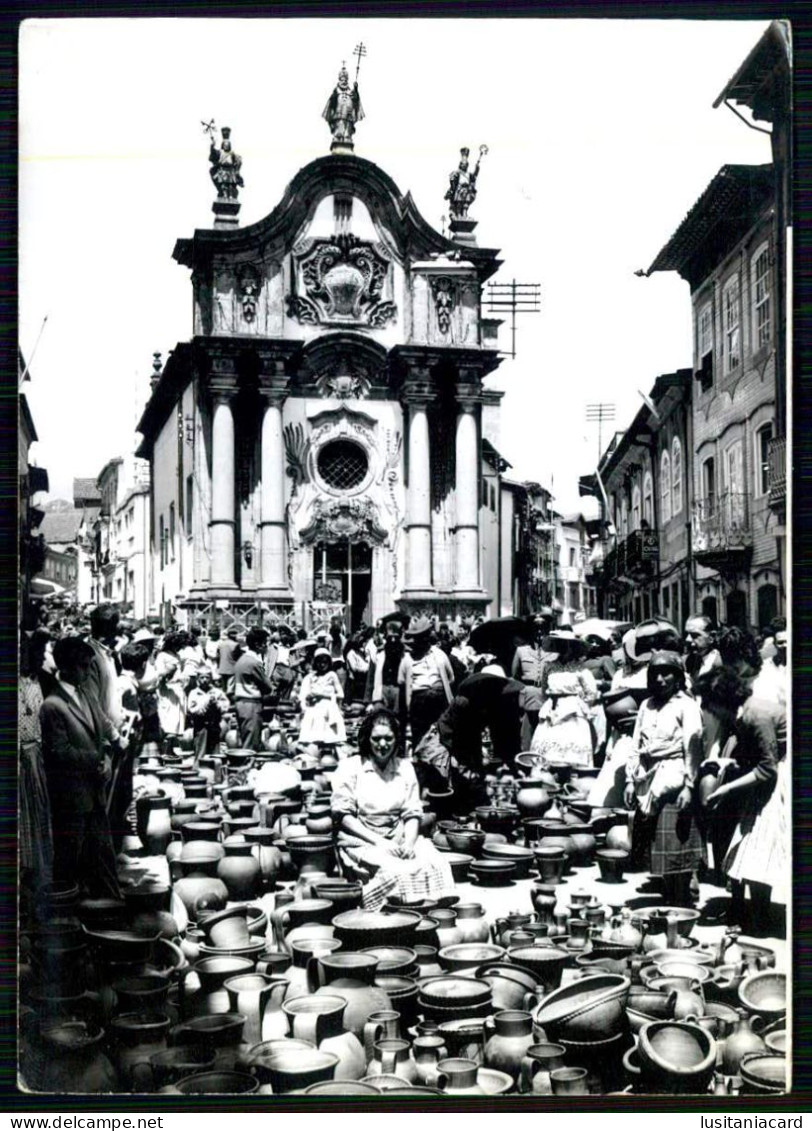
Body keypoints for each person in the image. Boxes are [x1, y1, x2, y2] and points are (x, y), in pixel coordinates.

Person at [331, 707, 455, 910]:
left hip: (399, 835)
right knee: (397, 871)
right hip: (362, 838)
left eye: (388, 738)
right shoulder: (350, 767)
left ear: (396, 739)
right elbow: (343, 816)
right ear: (366, 739)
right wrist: (380, 842)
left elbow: (412, 812)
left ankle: (429, 913)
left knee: (437, 864)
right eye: (376, 738)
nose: (382, 744)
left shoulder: (404, 768)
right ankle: (389, 913)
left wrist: (409, 843)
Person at [697, 667, 787, 933]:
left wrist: (726, 789)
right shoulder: (740, 716)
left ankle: (761, 920)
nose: (707, 708)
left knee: (760, 849)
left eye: (709, 702)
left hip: (780, 781)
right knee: (746, 848)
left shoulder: (756, 715)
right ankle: (753, 915)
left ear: (723, 699)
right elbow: (753, 758)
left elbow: (768, 769)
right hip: (766, 777)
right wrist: (726, 762)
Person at [39, 637, 123, 900]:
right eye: (84, 666)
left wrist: (112, 749)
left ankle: (110, 904)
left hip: (94, 788)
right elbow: (59, 752)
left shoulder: (86, 693)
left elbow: (102, 725)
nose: (88, 672)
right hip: (71, 794)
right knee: (71, 855)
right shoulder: (52, 705)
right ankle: (72, 915)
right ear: (67, 667)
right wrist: (96, 759)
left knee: (102, 851)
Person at [624, 651, 704, 906]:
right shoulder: (647, 706)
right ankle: (670, 902)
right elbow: (636, 744)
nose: (660, 679)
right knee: (659, 852)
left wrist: (689, 787)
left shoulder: (686, 706)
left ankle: (682, 905)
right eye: (654, 674)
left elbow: (693, 748)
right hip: (648, 781)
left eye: (666, 673)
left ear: (678, 677)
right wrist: (630, 779)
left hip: (674, 781)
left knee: (676, 851)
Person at [414, 668, 524, 809]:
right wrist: (466, 767)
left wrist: (514, 768)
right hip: (443, 741)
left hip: (467, 742)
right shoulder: (464, 702)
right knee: (441, 787)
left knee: (470, 785)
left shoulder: (496, 704)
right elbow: (456, 737)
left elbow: (501, 739)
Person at [19, 629, 54, 903]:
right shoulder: (25, 685)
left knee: (36, 817)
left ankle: (36, 877)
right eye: (38, 653)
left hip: (35, 757)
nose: (42, 658)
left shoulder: (37, 681)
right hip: (24, 757)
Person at [530, 634, 598, 766]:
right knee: (550, 743)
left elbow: (591, 692)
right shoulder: (549, 666)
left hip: (573, 709)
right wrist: (552, 701)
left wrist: (579, 703)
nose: (564, 649)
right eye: (561, 645)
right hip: (552, 708)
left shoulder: (580, 669)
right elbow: (544, 689)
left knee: (570, 744)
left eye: (567, 646)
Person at [403, 618, 455, 748]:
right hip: (418, 702)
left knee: (440, 736)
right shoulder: (408, 658)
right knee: (420, 738)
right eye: (417, 638)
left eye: (423, 637)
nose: (421, 641)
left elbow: (451, 677)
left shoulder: (439, 654)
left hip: (439, 699)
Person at [512, 610, 556, 750]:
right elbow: (515, 676)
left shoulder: (554, 652)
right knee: (527, 733)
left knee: (546, 731)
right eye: (536, 629)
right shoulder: (521, 651)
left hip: (547, 695)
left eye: (542, 629)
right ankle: (526, 762)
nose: (539, 632)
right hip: (528, 696)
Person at [233, 627, 275, 751]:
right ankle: (247, 768)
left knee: (245, 737)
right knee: (252, 742)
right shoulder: (254, 663)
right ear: (257, 644)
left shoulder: (242, 659)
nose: (267, 646)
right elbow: (268, 687)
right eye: (265, 643)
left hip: (241, 703)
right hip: (251, 704)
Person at [85, 604, 124, 731]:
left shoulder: (108, 653)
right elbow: (92, 704)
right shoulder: (90, 656)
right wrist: (114, 737)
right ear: (108, 627)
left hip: (114, 732)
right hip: (103, 737)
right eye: (116, 623)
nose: (120, 627)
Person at [299, 647, 346, 747]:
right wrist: (309, 697)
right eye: (319, 662)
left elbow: (341, 694)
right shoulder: (312, 677)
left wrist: (323, 695)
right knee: (314, 738)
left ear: (329, 663)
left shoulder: (332, 675)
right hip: (314, 708)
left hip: (329, 708)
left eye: (325, 662)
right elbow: (304, 695)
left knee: (330, 738)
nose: (322, 665)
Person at [186, 667, 231, 760]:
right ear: (198, 679)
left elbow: (225, 707)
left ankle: (215, 771)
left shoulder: (217, 692)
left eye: (207, 677)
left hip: (214, 725)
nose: (204, 680)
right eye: (202, 678)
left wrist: (217, 704)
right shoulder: (194, 693)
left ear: (210, 678)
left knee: (215, 754)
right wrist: (204, 704)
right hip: (200, 727)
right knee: (200, 754)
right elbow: (191, 710)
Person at [154, 629, 189, 742]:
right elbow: (159, 674)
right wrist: (168, 672)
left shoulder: (177, 656)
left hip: (178, 689)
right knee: (169, 720)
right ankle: (166, 746)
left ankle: (172, 745)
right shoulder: (162, 656)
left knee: (178, 720)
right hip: (168, 690)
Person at [684, 616, 721, 682]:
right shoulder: (686, 661)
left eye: (694, 635)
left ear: (711, 637)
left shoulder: (720, 663)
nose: (688, 639)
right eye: (686, 634)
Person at [343, 632, 370, 704]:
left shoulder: (360, 652)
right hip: (355, 681)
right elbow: (354, 667)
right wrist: (366, 669)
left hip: (362, 679)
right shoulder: (351, 653)